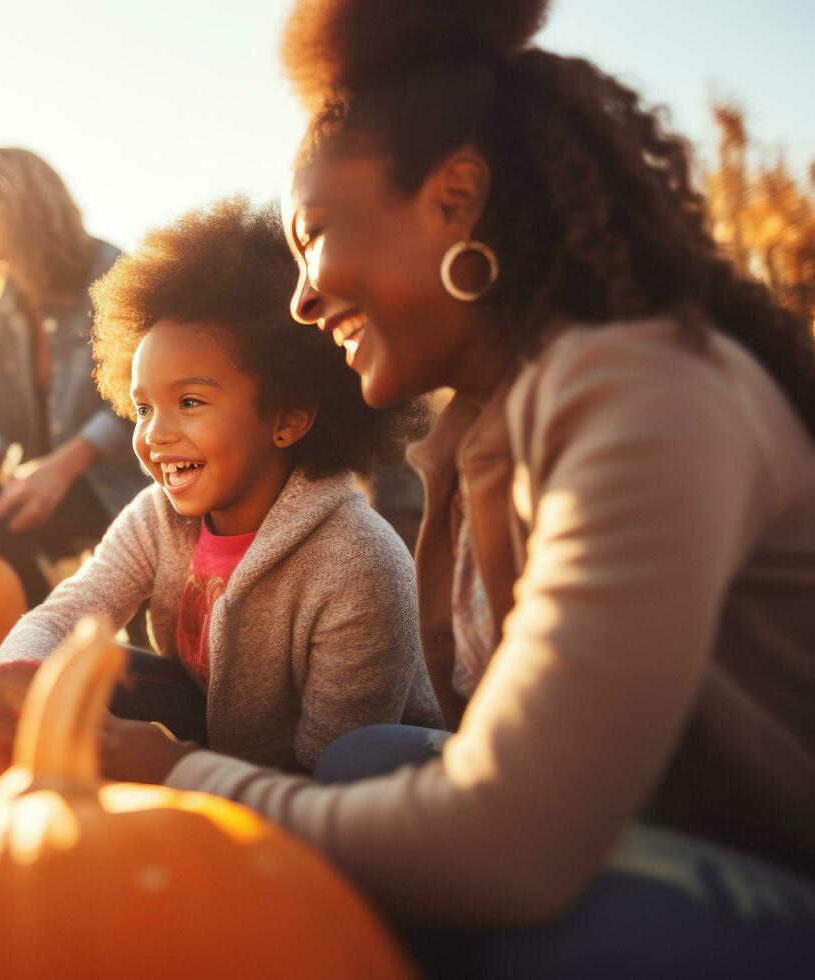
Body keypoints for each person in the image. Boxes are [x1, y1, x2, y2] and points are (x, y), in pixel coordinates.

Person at [93, 0, 815, 972]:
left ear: (456, 200)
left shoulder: (648, 396)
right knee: (364, 762)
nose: (303, 295)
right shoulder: (487, 426)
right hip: (643, 823)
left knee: (442, 899)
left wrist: (187, 780)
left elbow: (509, 843)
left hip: (773, 872)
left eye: (317, 234)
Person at [0, 198, 438, 767]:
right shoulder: (156, 517)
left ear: (287, 418)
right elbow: (70, 611)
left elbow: (321, 771)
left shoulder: (359, 564)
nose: (154, 434)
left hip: (337, 787)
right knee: (90, 672)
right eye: (142, 408)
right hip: (215, 735)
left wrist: (177, 768)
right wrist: (17, 672)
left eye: (189, 402)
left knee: (348, 761)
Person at [0, 147, 150, 608]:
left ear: (16, 205)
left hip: (124, 483)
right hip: (50, 482)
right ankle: (46, 637)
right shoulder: (2, 300)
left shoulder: (112, 274)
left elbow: (144, 403)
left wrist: (61, 468)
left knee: (153, 638)